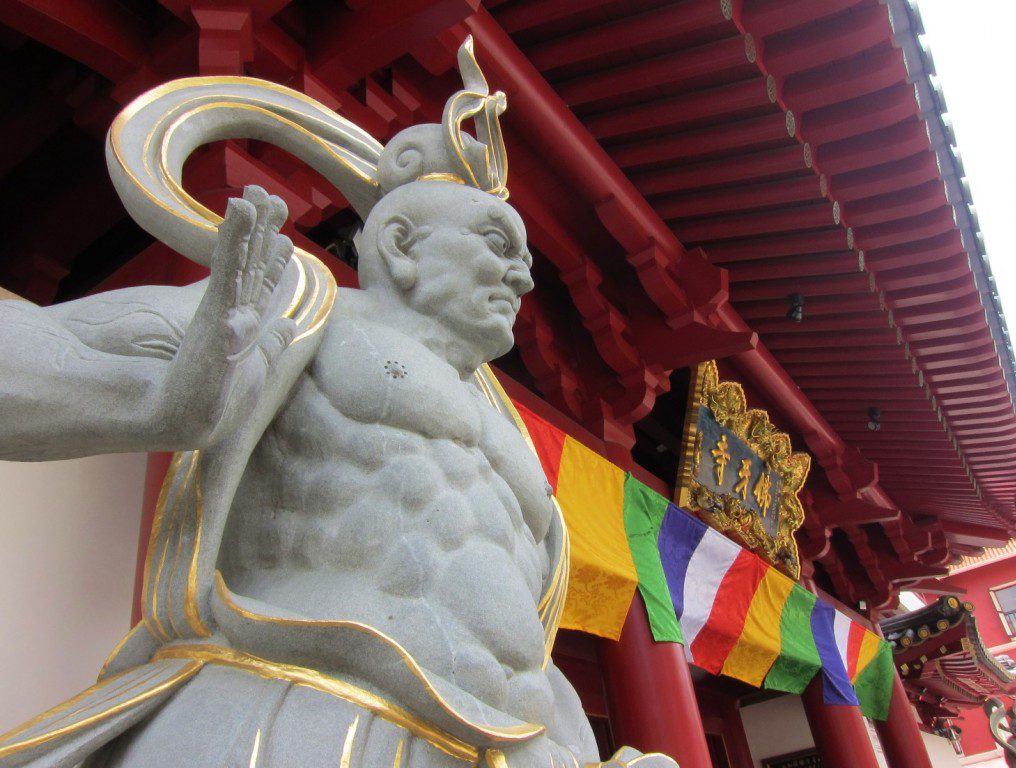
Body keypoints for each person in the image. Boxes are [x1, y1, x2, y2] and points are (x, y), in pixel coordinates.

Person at [0, 39, 675, 768]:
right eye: (497, 243)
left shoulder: (508, 436)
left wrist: (581, 750)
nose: (522, 277)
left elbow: (513, 638)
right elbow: (30, 344)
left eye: (526, 261)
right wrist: (158, 403)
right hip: (310, 713)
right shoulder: (302, 312)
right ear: (402, 244)